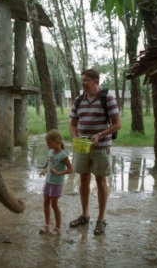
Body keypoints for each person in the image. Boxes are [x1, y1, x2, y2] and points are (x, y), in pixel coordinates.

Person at [68, 68, 121, 235]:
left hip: (101, 146)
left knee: (100, 181)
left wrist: (100, 134)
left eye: (86, 80)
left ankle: (101, 219)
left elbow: (117, 124)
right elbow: (73, 124)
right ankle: (85, 215)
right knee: (83, 179)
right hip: (82, 146)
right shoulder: (78, 100)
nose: (83, 83)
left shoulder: (108, 99)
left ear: (95, 81)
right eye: (82, 79)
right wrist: (76, 137)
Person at [39, 129, 73, 236]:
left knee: (54, 204)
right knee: (45, 203)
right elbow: (50, 163)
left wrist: (58, 173)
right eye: (47, 143)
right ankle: (47, 225)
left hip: (56, 183)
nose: (47, 145)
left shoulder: (63, 155)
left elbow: (70, 169)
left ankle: (58, 227)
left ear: (57, 141)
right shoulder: (50, 151)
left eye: (49, 143)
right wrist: (45, 170)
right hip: (48, 181)